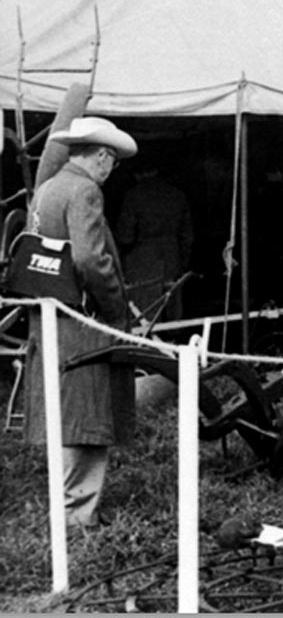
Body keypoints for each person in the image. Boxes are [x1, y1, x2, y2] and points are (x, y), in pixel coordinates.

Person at [24, 115, 138, 528]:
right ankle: (79, 515)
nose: (111, 171)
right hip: (83, 320)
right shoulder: (86, 190)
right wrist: (115, 311)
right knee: (88, 415)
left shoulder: (49, 188)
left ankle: (65, 504)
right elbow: (90, 258)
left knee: (64, 410)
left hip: (51, 317)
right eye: (112, 162)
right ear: (103, 158)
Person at [116, 165, 194, 322]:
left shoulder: (133, 196)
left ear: (139, 173)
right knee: (172, 313)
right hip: (172, 259)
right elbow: (188, 237)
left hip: (142, 263)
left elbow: (125, 236)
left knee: (144, 315)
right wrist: (182, 263)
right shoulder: (177, 195)